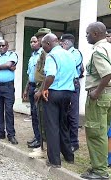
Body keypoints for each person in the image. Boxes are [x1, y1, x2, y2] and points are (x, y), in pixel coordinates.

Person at [81, 22, 111, 179]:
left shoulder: (99, 50)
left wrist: (97, 91)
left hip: (100, 96)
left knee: (96, 133)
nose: (86, 36)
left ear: (95, 34)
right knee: (102, 132)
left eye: (88, 33)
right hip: (110, 95)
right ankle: (98, 165)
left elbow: (107, 73)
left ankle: (100, 172)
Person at [41, 33, 76, 168]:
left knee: (52, 126)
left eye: (43, 44)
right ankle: (69, 156)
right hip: (68, 93)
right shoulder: (69, 55)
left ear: (48, 43)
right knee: (63, 125)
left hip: (54, 94)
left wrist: (43, 89)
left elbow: (50, 75)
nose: (43, 47)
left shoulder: (52, 56)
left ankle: (54, 160)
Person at [0, 40, 18, 145]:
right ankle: (1, 132)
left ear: (7, 46)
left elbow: (8, 65)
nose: (1, 47)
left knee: (9, 110)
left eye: (3, 45)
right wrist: (6, 66)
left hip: (8, 87)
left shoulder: (13, 54)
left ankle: (11, 134)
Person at [28, 28, 51, 159]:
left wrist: (41, 90)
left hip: (43, 89)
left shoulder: (47, 52)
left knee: (43, 119)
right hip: (36, 87)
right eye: (39, 37)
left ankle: (44, 148)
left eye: (42, 37)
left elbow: (48, 74)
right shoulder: (40, 52)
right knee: (36, 116)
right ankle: (40, 142)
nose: (40, 39)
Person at [59, 33, 83, 152]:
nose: (60, 45)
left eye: (62, 43)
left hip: (73, 85)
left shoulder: (76, 53)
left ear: (67, 43)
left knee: (73, 114)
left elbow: (66, 65)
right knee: (65, 114)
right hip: (64, 85)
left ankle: (74, 142)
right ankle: (65, 140)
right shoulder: (63, 53)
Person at [23, 36, 41, 149]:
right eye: (31, 41)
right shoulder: (32, 57)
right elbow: (30, 75)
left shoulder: (42, 55)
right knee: (33, 114)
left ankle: (40, 139)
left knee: (38, 114)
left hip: (39, 87)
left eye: (34, 41)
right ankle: (36, 136)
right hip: (31, 87)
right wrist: (26, 89)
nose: (32, 43)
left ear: (39, 42)